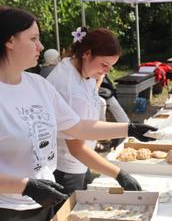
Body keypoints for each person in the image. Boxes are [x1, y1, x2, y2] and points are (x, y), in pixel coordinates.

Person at [0, 6, 156, 221]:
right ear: (10, 41)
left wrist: (129, 128)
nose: (41, 46)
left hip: (42, 200)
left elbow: (77, 126)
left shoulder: (37, 84)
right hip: (8, 208)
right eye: (33, 38)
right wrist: (25, 186)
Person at [47, 27, 142, 197]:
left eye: (110, 67)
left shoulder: (79, 66)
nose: (106, 72)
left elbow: (90, 93)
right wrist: (118, 174)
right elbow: (76, 147)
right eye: (104, 65)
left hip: (81, 162)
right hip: (67, 169)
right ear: (87, 53)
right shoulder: (70, 89)